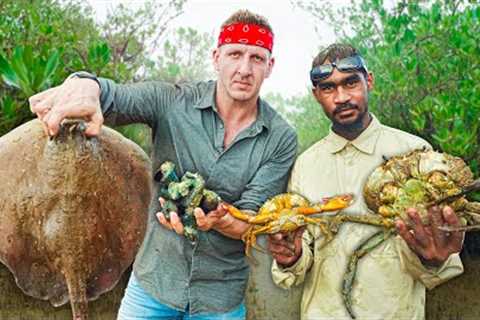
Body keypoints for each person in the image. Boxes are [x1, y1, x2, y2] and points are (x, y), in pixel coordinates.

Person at [29, 9, 297, 320]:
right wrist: (85, 86)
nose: (244, 69)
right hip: (153, 286)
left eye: (257, 58)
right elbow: (115, 96)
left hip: (220, 300)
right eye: (235, 54)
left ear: (270, 66)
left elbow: (251, 219)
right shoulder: (171, 102)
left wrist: (222, 220)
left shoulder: (280, 138)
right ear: (216, 57)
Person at [267, 43, 465, 320]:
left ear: (368, 81)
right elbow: (301, 257)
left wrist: (435, 258)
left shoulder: (417, 152)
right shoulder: (306, 164)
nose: (341, 97)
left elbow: (437, 257)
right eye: (328, 88)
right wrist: (290, 257)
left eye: (350, 83)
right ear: (316, 95)